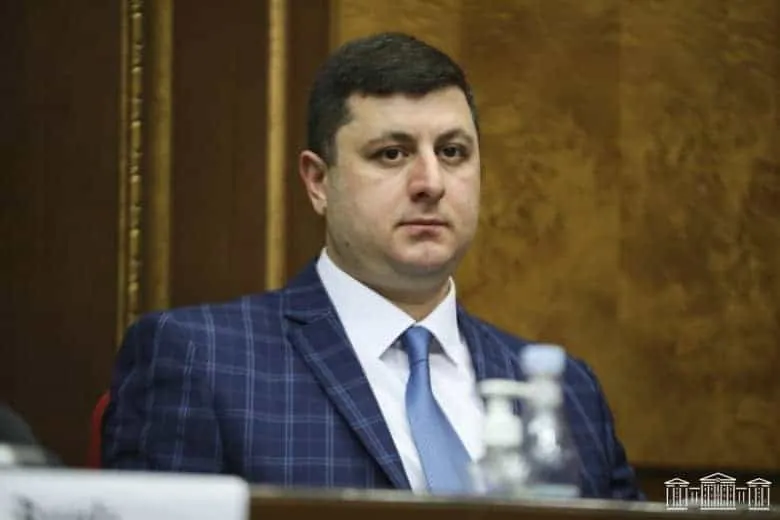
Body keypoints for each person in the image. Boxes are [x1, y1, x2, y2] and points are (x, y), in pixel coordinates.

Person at [102, 31, 644, 500]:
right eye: (392, 153)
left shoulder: (567, 392)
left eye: (452, 152)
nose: (431, 183)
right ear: (319, 182)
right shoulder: (202, 359)